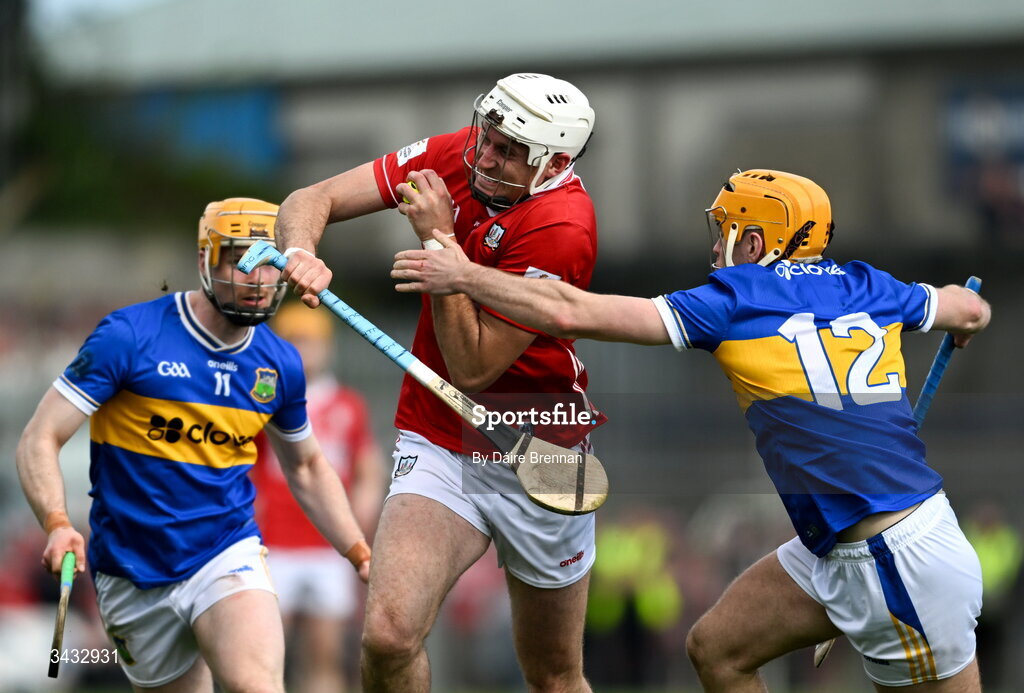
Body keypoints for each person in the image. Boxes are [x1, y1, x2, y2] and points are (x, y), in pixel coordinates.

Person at [391, 169, 993, 692]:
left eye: (727, 231)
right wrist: (963, 325)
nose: (718, 249)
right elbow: (970, 308)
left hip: (896, 560)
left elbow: (571, 310)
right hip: (844, 546)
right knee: (718, 650)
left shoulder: (735, 300)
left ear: (755, 242)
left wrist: (462, 274)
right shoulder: (869, 284)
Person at [274, 73, 604, 692]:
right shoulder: (460, 152)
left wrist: (437, 236)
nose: (485, 157)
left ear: (554, 162)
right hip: (439, 435)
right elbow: (308, 198)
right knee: (389, 636)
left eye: (510, 152)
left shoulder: (564, 227)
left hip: (540, 446)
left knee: (554, 674)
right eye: (488, 135)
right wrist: (301, 251)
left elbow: (476, 367)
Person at [16, 198, 372, 693]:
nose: (256, 277)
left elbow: (308, 466)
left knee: (256, 685)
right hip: (130, 568)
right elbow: (40, 437)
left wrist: (359, 552)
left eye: (269, 262)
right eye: (239, 259)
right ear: (206, 259)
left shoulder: (279, 363)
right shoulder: (129, 337)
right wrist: (56, 522)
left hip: (227, 550)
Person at [251, 301, 386, 693]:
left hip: (328, 545)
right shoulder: (264, 398)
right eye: (293, 341)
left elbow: (367, 465)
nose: (303, 350)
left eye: (310, 341)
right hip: (270, 541)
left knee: (325, 652)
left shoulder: (348, 404)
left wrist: (363, 507)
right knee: (265, 653)